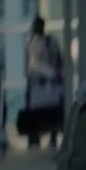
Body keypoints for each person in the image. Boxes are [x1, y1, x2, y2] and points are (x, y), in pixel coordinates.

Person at [22, 16, 64, 148]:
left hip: (47, 84)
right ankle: (37, 138)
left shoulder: (50, 42)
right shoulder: (33, 42)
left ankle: (49, 137)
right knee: (41, 111)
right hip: (39, 84)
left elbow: (58, 60)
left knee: (49, 110)